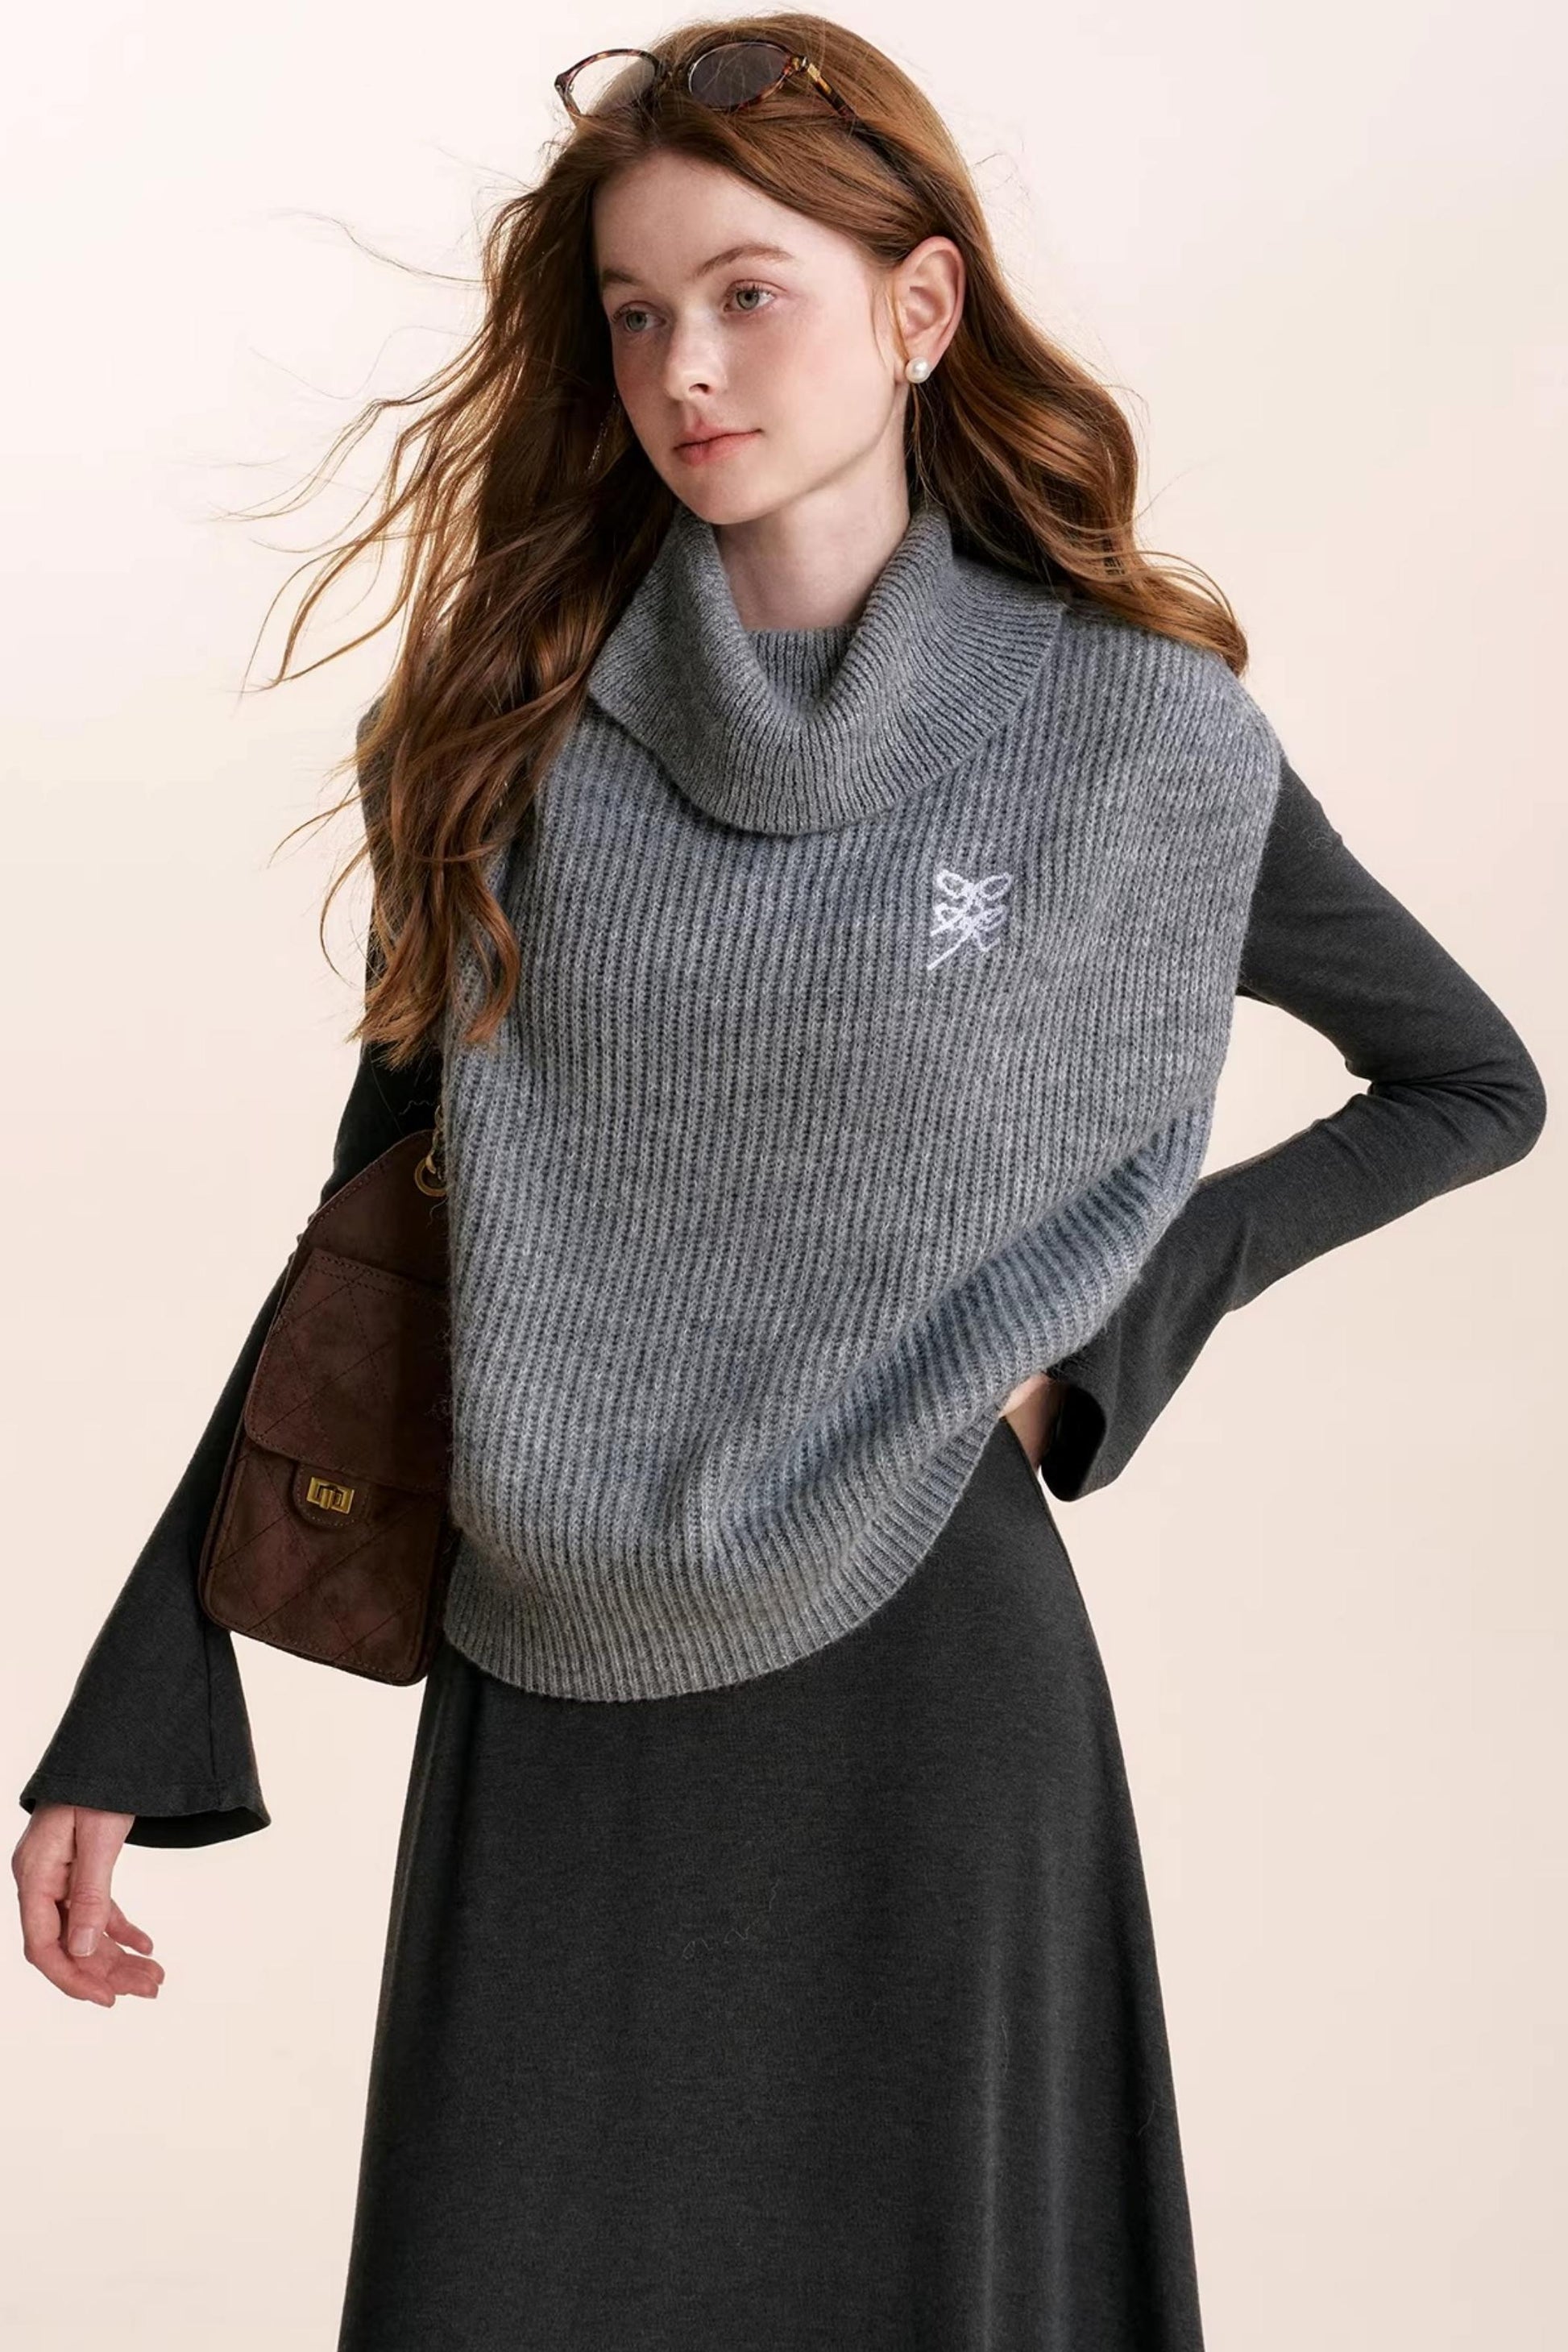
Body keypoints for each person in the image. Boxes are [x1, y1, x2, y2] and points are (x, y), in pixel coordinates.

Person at [11, 18, 1547, 2349]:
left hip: (927, 1667)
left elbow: (1465, 1079)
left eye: (749, 295)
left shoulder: (1132, 732)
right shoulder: (511, 729)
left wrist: (1091, 1349)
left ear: (920, 308)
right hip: (556, 1669)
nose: (685, 369)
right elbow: (391, 1233)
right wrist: (143, 1693)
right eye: (636, 314)